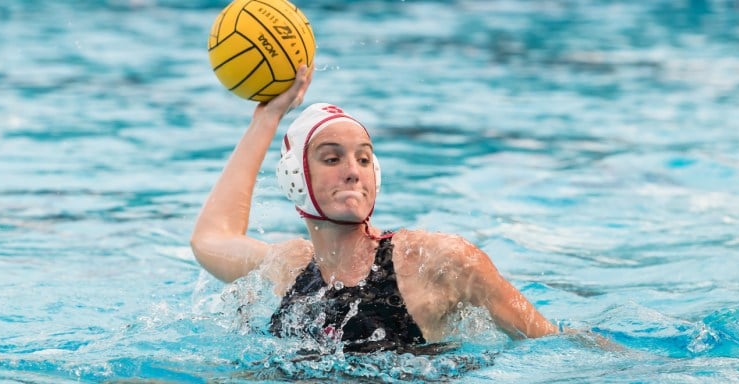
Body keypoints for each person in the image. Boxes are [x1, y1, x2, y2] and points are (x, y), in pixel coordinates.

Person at [190, 65, 559, 354]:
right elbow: (210, 237)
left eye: (364, 159)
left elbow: (553, 344)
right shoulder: (288, 268)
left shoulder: (434, 261)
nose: (353, 171)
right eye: (332, 158)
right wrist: (266, 118)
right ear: (295, 178)